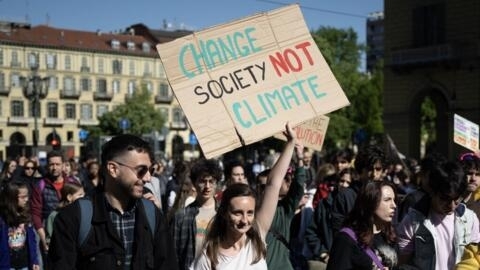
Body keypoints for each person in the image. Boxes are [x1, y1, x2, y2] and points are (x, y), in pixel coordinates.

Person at [48, 134, 178, 269]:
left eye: (150, 170)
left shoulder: (152, 215)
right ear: (113, 169)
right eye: (141, 170)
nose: (148, 178)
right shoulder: (73, 217)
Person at [192, 122, 299, 270]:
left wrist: (290, 143)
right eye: (237, 213)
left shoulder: (256, 240)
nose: (245, 220)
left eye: (250, 213)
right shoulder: (209, 257)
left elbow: (273, 184)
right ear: (224, 213)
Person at [397, 161, 480, 270]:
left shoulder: (470, 219)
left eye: (456, 199)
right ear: (432, 192)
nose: (451, 206)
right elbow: (402, 264)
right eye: (445, 199)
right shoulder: (413, 221)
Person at [327, 181, 398, 270]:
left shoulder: (390, 236)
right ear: (371, 202)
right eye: (387, 200)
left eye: (394, 200)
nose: (394, 205)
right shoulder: (346, 239)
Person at [170, 158, 223, 270]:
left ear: (216, 183)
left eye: (211, 181)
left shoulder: (223, 214)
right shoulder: (181, 216)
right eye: (203, 181)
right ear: (194, 183)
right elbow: (172, 254)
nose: (207, 186)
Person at [0, 181, 40, 270]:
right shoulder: (2, 219)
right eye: (23, 197)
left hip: (24, 263)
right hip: (6, 264)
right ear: (11, 198)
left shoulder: (26, 215)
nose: (26, 199)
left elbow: (32, 241)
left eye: (27, 196)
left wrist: (34, 260)